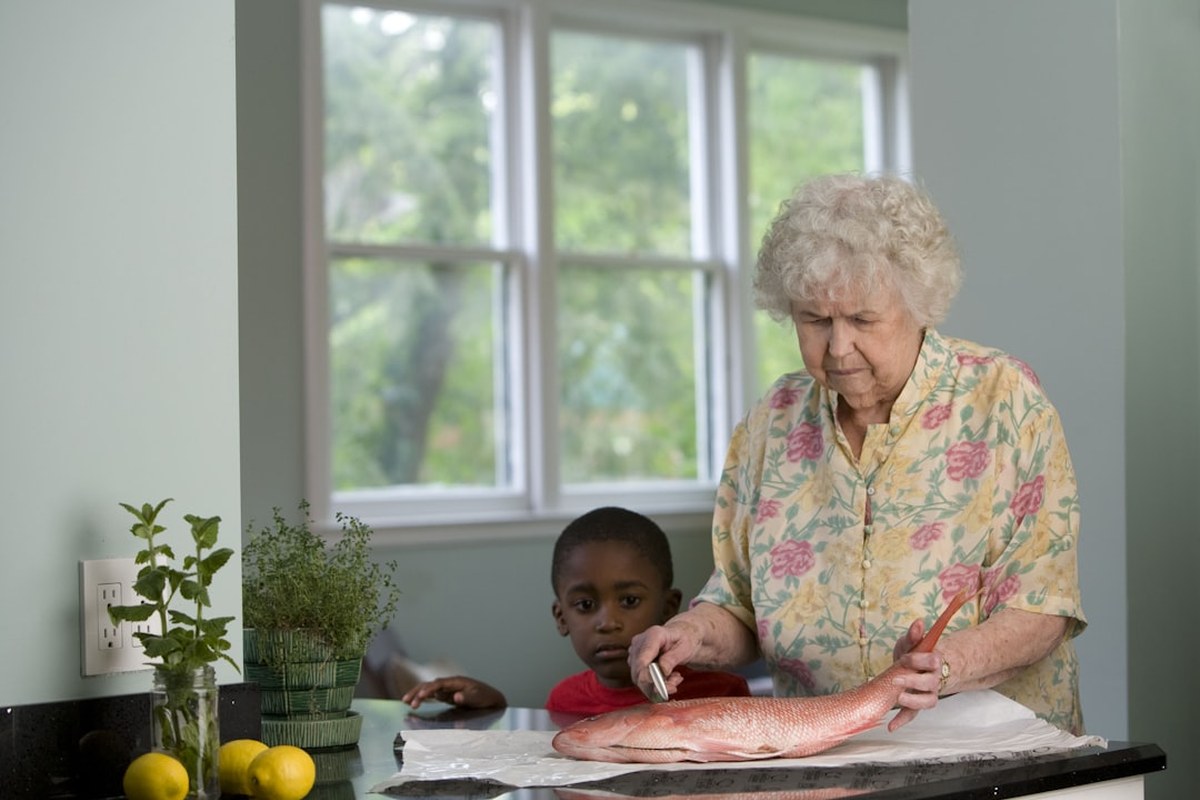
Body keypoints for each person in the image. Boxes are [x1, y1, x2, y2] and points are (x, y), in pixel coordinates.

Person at [628, 173, 1086, 735]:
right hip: (826, 751)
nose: (838, 347)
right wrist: (691, 635)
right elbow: (740, 604)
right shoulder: (772, 421)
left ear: (918, 307)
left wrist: (946, 665)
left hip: (996, 748)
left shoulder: (1005, 401)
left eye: (863, 320)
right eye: (815, 320)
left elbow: (1044, 606)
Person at [402, 506, 751, 716]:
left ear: (669, 608)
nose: (607, 622)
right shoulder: (564, 701)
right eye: (585, 605)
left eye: (629, 601)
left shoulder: (722, 694)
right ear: (561, 618)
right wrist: (495, 713)